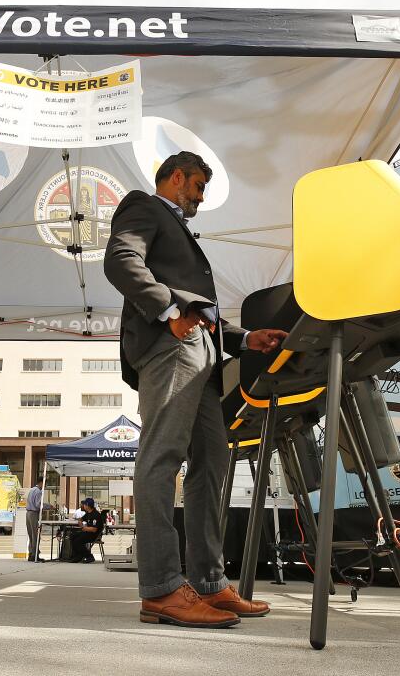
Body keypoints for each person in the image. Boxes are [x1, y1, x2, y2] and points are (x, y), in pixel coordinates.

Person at [103, 151, 288, 628]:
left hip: (203, 357)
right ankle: (162, 588)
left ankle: (208, 583)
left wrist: (246, 339)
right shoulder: (143, 206)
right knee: (161, 457)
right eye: (200, 186)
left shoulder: (177, 227)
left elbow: (202, 315)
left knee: (214, 463)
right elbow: (121, 259)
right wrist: (168, 309)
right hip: (171, 349)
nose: (202, 197)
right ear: (178, 177)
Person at [64, 497, 105, 563]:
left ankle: (89, 556)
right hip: (88, 532)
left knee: (78, 541)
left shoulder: (96, 515)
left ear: (88, 505)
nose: (83, 506)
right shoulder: (88, 513)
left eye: (85, 504)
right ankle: (78, 556)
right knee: (72, 536)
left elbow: (94, 529)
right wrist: (80, 521)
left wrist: (83, 528)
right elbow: (81, 519)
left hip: (94, 535)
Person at [25, 483, 45, 562]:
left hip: (28, 513)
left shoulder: (31, 490)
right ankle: (35, 555)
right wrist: (48, 506)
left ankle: (31, 554)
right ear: (41, 483)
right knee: (36, 535)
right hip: (34, 514)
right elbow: (38, 504)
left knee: (31, 535)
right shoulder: (38, 492)